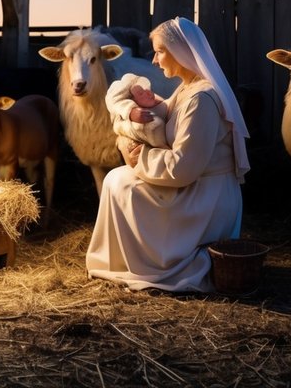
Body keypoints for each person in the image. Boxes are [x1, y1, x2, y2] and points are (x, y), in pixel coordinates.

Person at [87, 16, 251, 292]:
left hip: (206, 199)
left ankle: (157, 262)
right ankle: (129, 260)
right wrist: (127, 121)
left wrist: (139, 156)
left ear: (181, 52)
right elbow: (153, 119)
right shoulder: (187, 90)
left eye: (160, 51)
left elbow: (183, 168)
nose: (153, 60)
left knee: (120, 183)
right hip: (196, 188)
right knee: (117, 179)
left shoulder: (201, 100)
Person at [106, 72, 169, 150]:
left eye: (148, 90)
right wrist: (131, 112)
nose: (150, 94)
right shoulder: (146, 124)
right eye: (141, 93)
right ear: (131, 100)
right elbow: (113, 101)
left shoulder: (160, 104)